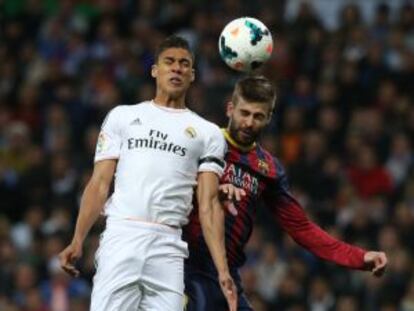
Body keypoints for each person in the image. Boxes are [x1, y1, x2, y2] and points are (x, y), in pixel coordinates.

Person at [58, 35, 237, 311]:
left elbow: (209, 204)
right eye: (169, 62)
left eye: (184, 64)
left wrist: (223, 270)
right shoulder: (122, 117)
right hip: (122, 235)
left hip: (169, 246)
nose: (176, 68)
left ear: (192, 75)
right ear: (155, 70)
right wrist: (78, 238)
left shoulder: (208, 133)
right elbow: (99, 183)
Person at [183, 75, 388, 311]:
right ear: (230, 109)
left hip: (226, 275)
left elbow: (302, 229)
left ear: (269, 118)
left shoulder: (268, 168)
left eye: (258, 116)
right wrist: (209, 190)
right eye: (244, 113)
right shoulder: (203, 143)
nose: (249, 123)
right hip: (185, 265)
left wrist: (360, 257)